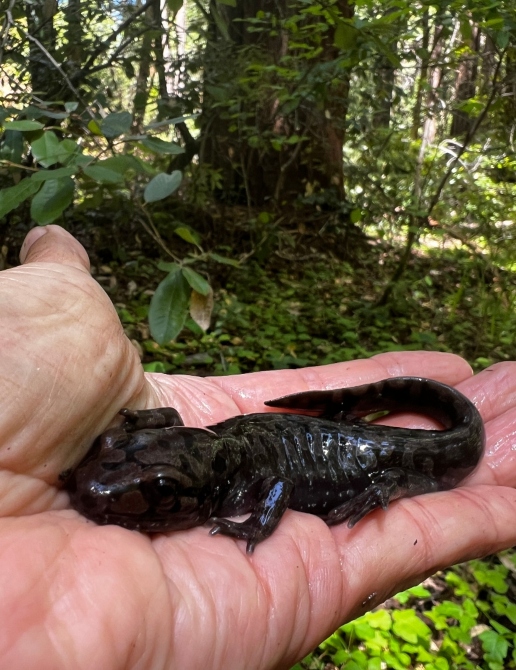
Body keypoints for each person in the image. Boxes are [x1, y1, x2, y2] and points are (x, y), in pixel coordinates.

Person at [0, 224, 515, 669]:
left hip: (375, 456)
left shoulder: (234, 480)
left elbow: (277, 481)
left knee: (389, 471)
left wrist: (258, 524)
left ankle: (390, 476)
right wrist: (125, 429)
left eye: (158, 489)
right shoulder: (189, 444)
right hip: (303, 439)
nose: (99, 483)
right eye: (116, 450)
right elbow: (177, 426)